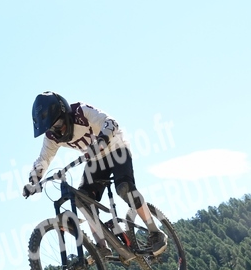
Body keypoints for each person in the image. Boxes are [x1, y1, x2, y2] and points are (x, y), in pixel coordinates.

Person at [22, 91, 167, 257]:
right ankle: (101, 247)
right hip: (96, 159)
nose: (58, 130)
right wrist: (34, 181)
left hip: (116, 148)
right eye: (51, 127)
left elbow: (111, 122)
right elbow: (44, 159)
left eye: (59, 122)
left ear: (65, 113)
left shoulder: (81, 112)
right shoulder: (52, 137)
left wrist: (102, 140)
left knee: (124, 188)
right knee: (82, 199)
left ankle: (156, 233)